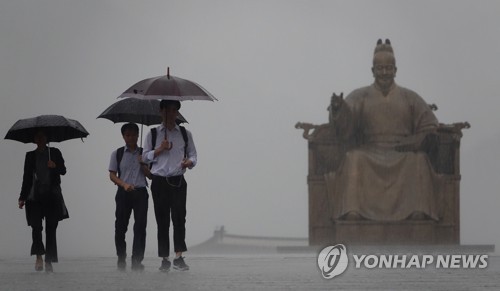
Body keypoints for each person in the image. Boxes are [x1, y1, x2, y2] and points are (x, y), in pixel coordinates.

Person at [326, 39, 440, 221]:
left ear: (395, 70)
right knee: (353, 158)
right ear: (373, 71)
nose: (385, 73)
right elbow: (346, 126)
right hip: (370, 150)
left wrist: (415, 140)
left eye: (389, 68)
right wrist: (339, 109)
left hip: (402, 151)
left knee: (419, 160)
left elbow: (430, 126)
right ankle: (353, 212)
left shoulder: (410, 97)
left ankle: (418, 213)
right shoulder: (360, 95)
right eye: (380, 69)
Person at [142, 100, 197, 272]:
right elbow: (144, 157)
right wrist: (159, 149)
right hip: (158, 181)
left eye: (174, 110)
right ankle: (164, 258)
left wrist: (189, 162)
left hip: (178, 179)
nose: (171, 114)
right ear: (161, 111)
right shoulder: (152, 133)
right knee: (162, 220)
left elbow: (194, 155)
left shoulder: (184, 133)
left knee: (180, 218)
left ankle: (179, 257)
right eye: (168, 110)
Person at [17, 130, 69, 272]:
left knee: (51, 228)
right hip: (34, 197)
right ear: (34, 139)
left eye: (42, 136)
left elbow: (63, 170)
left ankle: (49, 260)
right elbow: (26, 178)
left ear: (47, 138)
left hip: (52, 196)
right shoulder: (30, 156)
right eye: (37, 136)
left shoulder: (55, 152)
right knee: (36, 227)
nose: (39, 139)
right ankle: (39, 256)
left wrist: (55, 166)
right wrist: (22, 197)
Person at [108, 123, 150, 271]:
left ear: (138, 135)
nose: (131, 137)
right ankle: (121, 256)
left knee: (140, 227)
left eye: (133, 134)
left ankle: (137, 260)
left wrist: (143, 164)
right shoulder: (117, 153)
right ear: (123, 136)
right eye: (128, 134)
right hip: (123, 193)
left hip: (140, 192)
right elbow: (112, 175)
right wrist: (124, 184)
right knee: (120, 227)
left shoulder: (145, 153)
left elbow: (151, 176)